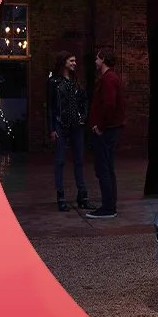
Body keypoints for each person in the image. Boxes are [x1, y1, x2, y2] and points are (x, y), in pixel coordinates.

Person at [46, 51, 94, 212]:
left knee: (79, 161)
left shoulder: (77, 81)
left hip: (77, 126)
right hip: (60, 124)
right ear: (64, 62)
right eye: (71, 60)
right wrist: (52, 128)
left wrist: (83, 117)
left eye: (75, 60)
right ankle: (61, 197)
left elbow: (85, 101)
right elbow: (51, 107)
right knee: (60, 161)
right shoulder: (54, 82)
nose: (74, 63)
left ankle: (83, 196)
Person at [86, 49, 125, 219]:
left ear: (103, 60)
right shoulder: (111, 78)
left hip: (107, 130)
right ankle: (110, 205)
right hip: (109, 129)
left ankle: (108, 208)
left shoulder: (108, 79)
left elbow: (109, 105)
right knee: (108, 168)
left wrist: (100, 126)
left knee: (104, 169)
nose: (95, 61)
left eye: (97, 58)